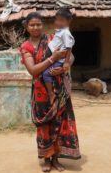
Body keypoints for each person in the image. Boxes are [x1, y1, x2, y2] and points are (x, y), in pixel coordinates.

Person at [20, 12, 81, 172]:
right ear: (26, 27)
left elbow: (71, 55)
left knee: (60, 125)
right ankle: (46, 159)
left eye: (38, 24)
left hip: (59, 89)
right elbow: (33, 70)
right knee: (45, 127)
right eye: (32, 25)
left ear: (43, 25)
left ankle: (56, 159)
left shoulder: (53, 38)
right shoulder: (26, 47)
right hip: (41, 94)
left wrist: (66, 65)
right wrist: (52, 59)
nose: (35, 27)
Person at [42, 8, 74, 104]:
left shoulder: (65, 33)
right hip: (55, 59)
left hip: (59, 61)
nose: (58, 22)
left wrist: (66, 63)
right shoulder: (59, 32)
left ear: (69, 21)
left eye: (62, 20)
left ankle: (51, 93)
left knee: (46, 73)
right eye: (57, 20)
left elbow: (69, 48)